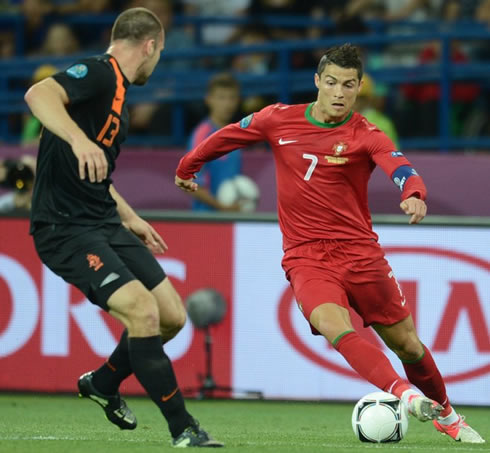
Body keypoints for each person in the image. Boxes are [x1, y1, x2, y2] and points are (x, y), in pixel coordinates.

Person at [175, 44, 485, 444]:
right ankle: (404, 395)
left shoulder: (366, 134)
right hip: (306, 256)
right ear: (318, 82)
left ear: (358, 89)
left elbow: (402, 168)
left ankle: (447, 413)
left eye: (349, 85)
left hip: (360, 255)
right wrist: (187, 167)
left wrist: (415, 194)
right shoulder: (277, 119)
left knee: (408, 345)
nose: (340, 93)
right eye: (333, 83)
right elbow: (228, 136)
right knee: (331, 324)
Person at [24, 7, 223, 448]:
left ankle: (103, 383)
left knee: (171, 316)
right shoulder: (98, 73)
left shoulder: (117, 97)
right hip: (65, 229)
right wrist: (78, 140)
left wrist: (130, 216)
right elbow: (38, 94)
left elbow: (96, 172)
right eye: (160, 52)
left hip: (103, 220)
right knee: (142, 311)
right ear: (150, 45)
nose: (158, 62)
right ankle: (184, 429)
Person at [187, 73, 244, 212]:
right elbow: (188, 182)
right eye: (221, 98)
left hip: (229, 218)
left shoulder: (238, 134)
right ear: (209, 100)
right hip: (206, 220)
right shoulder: (202, 135)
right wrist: (221, 207)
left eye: (232, 98)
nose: (227, 104)